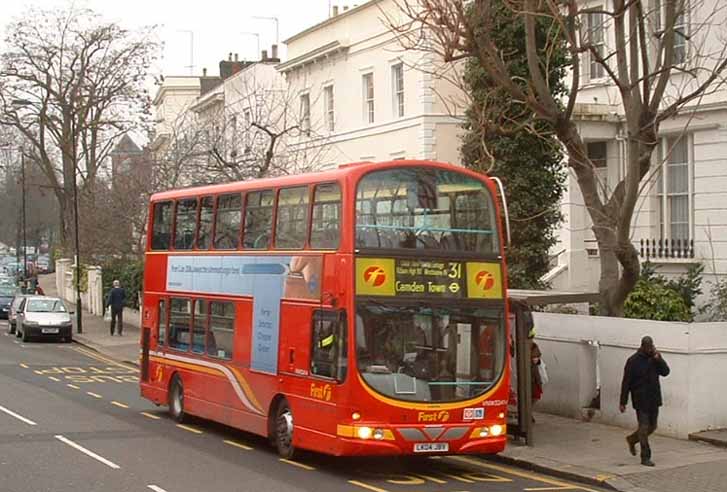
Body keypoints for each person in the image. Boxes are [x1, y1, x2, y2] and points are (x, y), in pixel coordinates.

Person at [620, 335, 670, 467]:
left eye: (651, 347)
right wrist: (623, 401)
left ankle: (632, 439)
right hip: (640, 399)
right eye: (648, 347)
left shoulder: (655, 358)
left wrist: (659, 360)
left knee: (652, 426)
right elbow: (626, 382)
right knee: (643, 427)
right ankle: (645, 456)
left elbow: (665, 372)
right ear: (642, 346)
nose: (650, 349)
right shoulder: (633, 361)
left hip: (654, 398)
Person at [529, 327, 543, 419]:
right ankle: (528, 413)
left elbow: (538, 359)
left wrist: (536, 360)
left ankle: (529, 411)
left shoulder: (534, 346)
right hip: (528, 376)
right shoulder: (521, 346)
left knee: (536, 395)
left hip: (534, 376)